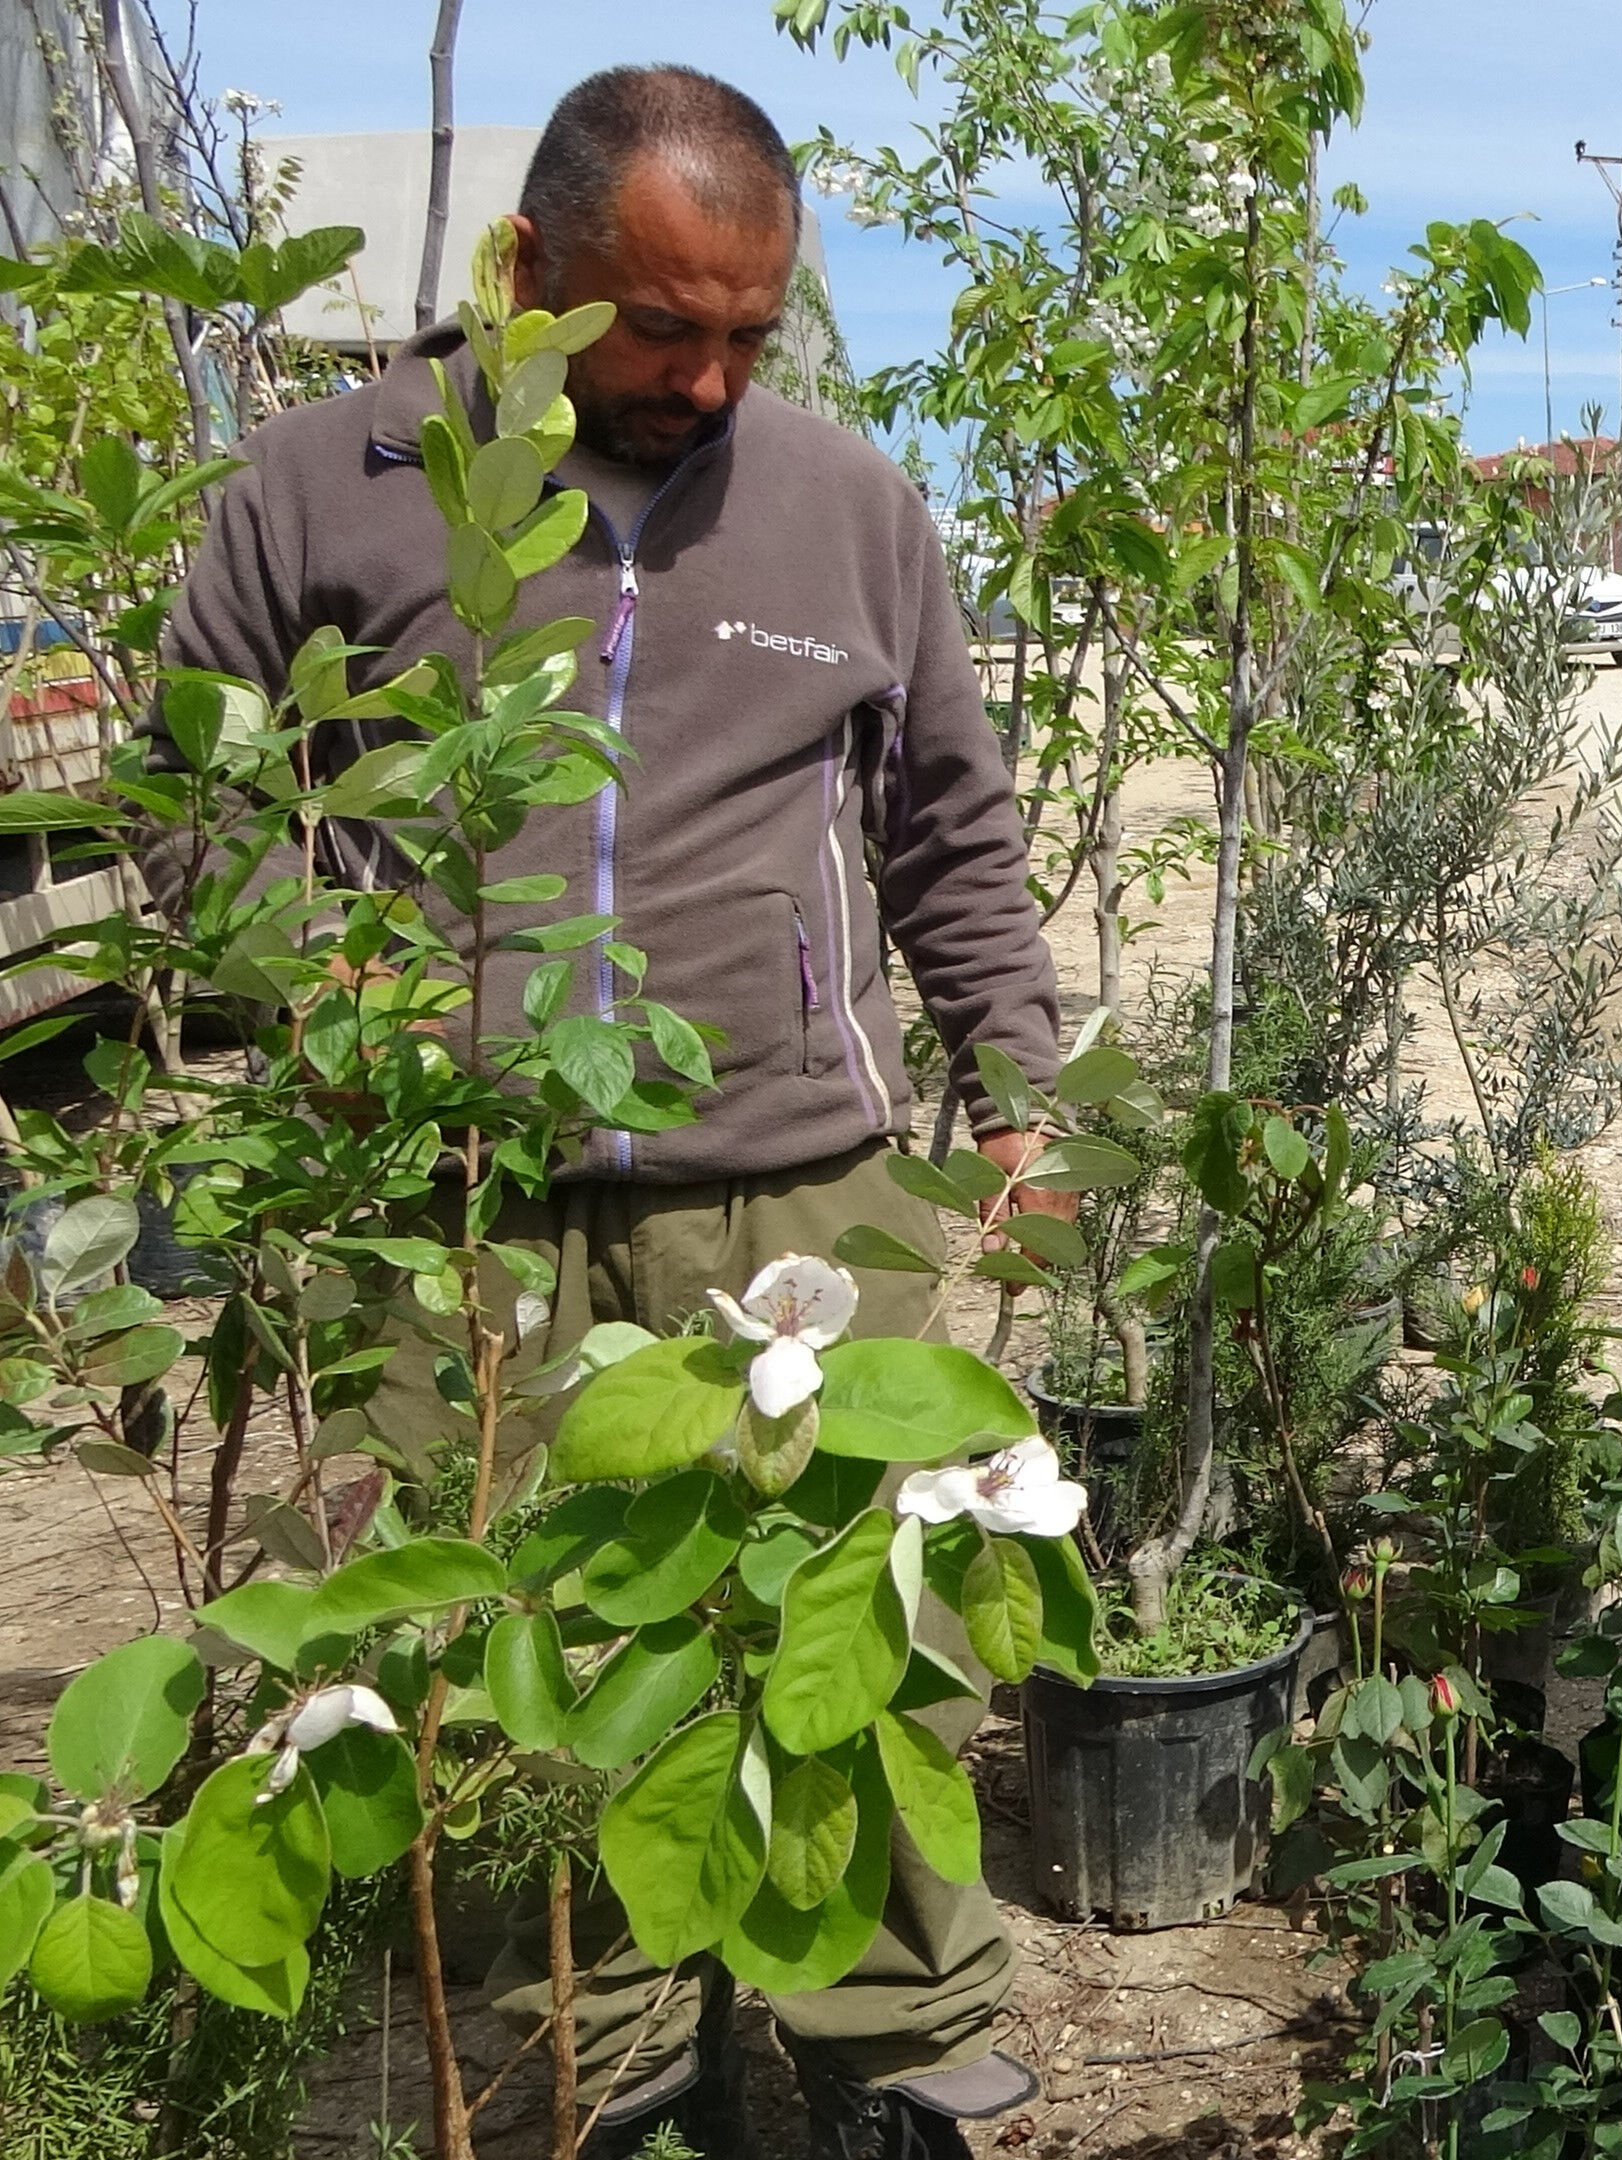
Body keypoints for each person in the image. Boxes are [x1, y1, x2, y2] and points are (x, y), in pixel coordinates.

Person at [157, 65, 1059, 2160]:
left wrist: (1015, 1087)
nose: (711, 376)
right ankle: (569, 2043)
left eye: (752, 331)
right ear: (530, 270)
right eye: (665, 325)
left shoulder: (848, 503)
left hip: (796, 1191)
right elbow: (202, 802)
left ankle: (885, 2039)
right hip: (454, 1200)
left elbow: (950, 826)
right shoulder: (340, 476)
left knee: (856, 1622)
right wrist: (363, 1004)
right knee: (487, 1651)